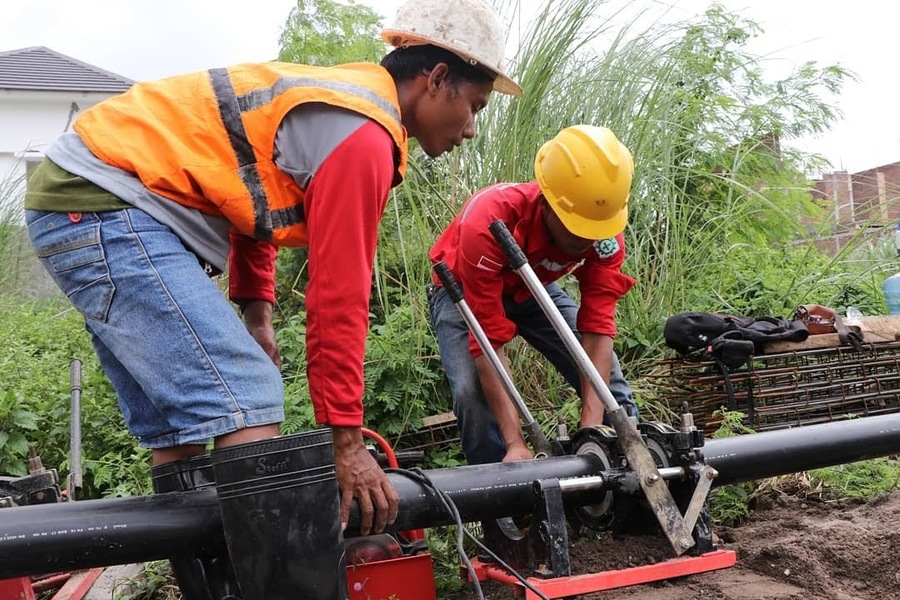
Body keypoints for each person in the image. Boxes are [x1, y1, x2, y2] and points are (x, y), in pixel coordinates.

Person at [24, 0, 521, 597]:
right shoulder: (364, 133)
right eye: (475, 107)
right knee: (249, 397)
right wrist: (345, 441)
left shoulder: (340, 103)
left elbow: (245, 194)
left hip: (84, 200)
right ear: (437, 78)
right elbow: (337, 298)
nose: (471, 129)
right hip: (106, 201)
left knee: (180, 430)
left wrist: (257, 311)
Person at [429, 125, 638, 466]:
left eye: (595, 230)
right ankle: (501, 486)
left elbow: (598, 326)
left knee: (608, 383)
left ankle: (632, 467)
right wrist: (515, 443)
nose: (587, 240)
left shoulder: (604, 231)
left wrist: (591, 433)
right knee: (470, 392)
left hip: (533, 285)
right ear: (547, 204)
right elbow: (488, 340)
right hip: (463, 289)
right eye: (577, 229)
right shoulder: (489, 221)